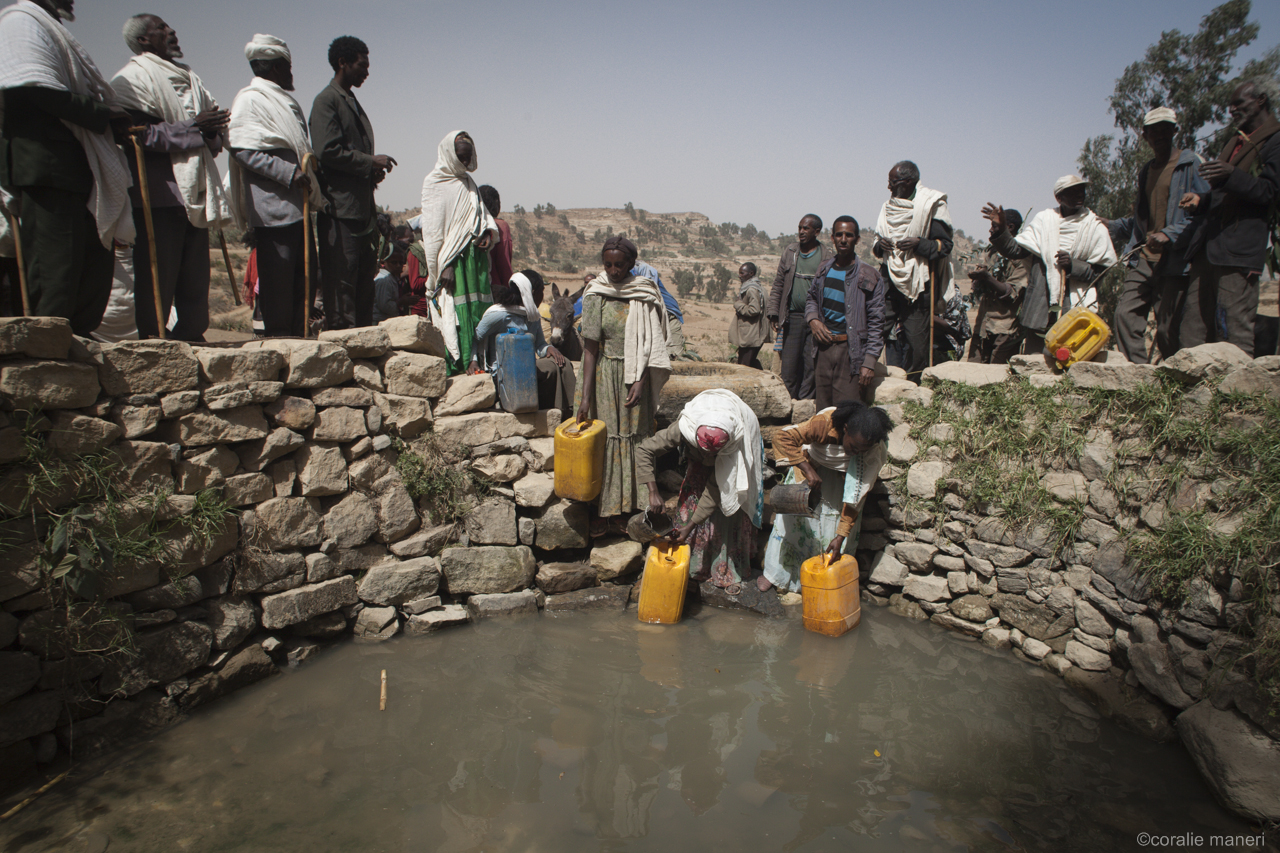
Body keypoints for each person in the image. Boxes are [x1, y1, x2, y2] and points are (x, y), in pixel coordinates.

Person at [0, 0, 134, 337]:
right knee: (56, 275)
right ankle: (47, 356)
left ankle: (79, 352)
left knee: (93, 273)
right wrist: (103, 115)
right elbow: (36, 89)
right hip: (47, 170)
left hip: (82, 168)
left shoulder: (51, 28)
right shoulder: (20, 22)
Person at [112, 14, 229, 342]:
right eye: (161, 28)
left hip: (194, 193)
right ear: (143, 40)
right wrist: (195, 128)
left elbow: (214, 131)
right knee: (157, 283)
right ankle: (155, 347)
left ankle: (190, 342)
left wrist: (210, 130)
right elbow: (135, 134)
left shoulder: (191, 78)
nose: (172, 31)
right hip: (158, 197)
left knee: (195, 285)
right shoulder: (130, 81)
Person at [227, 34, 323, 338]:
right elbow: (241, 149)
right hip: (273, 210)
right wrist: (286, 171)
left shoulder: (283, 100)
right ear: (275, 67)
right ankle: (279, 345)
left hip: (297, 207)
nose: (291, 73)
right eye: (287, 66)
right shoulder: (251, 99)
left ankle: (297, 341)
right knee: (278, 285)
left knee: (303, 281)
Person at [1178, 77, 1280, 357]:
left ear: (1261, 100)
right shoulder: (1236, 141)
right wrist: (1201, 200)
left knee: (1235, 332)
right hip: (1209, 247)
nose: (1232, 110)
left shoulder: (1274, 141)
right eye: (1230, 105)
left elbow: (1271, 192)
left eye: (1239, 103)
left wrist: (1231, 175)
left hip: (1238, 252)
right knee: (1194, 329)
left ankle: (1237, 397)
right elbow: (1224, 194)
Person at [575, 235, 671, 532]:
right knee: (608, 438)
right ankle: (606, 509)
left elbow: (650, 344)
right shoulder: (595, 293)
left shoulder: (643, 293)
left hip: (634, 376)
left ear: (632, 263)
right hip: (604, 376)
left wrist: (641, 381)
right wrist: (585, 397)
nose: (613, 270)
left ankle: (635, 506)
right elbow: (590, 349)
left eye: (619, 264)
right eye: (608, 264)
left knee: (635, 438)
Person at [1107, 107, 1210, 363]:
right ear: (1145, 135)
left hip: (1176, 260)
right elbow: (1142, 220)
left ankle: (1176, 381)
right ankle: (1140, 375)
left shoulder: (1190, 163)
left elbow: (1206, 210)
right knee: (1124, 315)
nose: (1160, 135)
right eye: (1154, 130)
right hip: (1144, 257)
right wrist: (1112, 225)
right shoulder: (1146, 171)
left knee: (1167, 330)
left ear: (1175, 131)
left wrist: (1169, 234)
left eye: (1166, 129)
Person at [309, 35, 396, 329]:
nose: (367, 72)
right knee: (342, 289)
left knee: (363, 286)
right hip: (339, 212)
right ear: (343, 63)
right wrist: (368, 162)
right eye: (362, 65)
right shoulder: (326, 101)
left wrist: (369, 173)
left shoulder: (348, 100)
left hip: (359, 211)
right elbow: (327, 151)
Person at [637, 389, 763, 592]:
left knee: (726, 506)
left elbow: (715, 490)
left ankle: (725, 569)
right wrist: (653, 490)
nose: (707, 458)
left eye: (711, 455)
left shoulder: (735, 443)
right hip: (701, 451)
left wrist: (691, 525)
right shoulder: (685, 427)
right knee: (694, 491)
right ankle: (694, 564)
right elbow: (645, 449)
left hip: (734, 446)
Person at [760, 400, 891, 594]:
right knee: (794, 526)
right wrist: (809, 471)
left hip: (844, 485)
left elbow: (857, 496)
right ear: (845, 429)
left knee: (831, 534)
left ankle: (820, 582)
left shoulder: (872, 449)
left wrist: (841, 535)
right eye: (853, 447)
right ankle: (777, 575)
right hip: (810, 471)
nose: (855, 453)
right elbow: (783, 437)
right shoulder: (823, 424)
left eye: (861, 451)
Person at [982, 176, 1116, 354]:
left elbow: (1100, 271)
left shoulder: (1094, 227)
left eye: (1081, 191)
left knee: (1069, 352)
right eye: (1072, 192)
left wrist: (1073, 266)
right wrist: (1001, 229)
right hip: (1041, 301)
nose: (1079, 195)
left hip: (1074, 302)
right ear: (1059, 198)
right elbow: (1016, 251)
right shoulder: (1044, 221)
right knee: (1035, 357)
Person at [420, 130, 497, 373]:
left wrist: (487, 233)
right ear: (449, 154)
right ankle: (461, 363)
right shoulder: (435, 184)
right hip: (455, 265)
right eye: (461, 157)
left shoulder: (469, 183)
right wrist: (446, 266)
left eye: (468, 157)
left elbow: (482, 217)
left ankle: (481, 362)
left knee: (479, 312)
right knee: (458, 314)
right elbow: (433, 235)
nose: (465, 162)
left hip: (476, 261)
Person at [873, 161, 954, 383]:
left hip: (918, 283)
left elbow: (944, 246)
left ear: (908, 182)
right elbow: (877, 242)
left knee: (918, 342)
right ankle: (865, 376)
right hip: (889, 277)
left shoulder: (931, 204)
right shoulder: (887, 207)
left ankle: (915, 385)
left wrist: (919, 243)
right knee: (876, 329)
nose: (889, 188)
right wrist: (882, 245)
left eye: (893, 183)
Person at [804, 216, 885, 410]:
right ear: (832, 238)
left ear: (857, 239)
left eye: (848, 235)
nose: (843, 239)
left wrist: (869, 363)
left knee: (847, 412)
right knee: (823, 411)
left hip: (851, 352)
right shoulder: (824, 269)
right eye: (839, 234)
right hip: (823, 349)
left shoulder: (869, 275)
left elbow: (877, 322)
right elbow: (811, 299)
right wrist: (813, 319)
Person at [470, 270, 576, 414]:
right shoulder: (500, 314)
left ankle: (566, 410)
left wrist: (549, 349)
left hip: (527, 367)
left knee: (562, 363)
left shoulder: (533, 316)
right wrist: (473, 361)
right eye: (542, 291)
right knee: (551, 368)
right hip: (503, 373)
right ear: (532, 292)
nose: (543, 296)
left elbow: (539, 346)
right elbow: (476, 337)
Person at [767, 214, 831, 399]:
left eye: (806, 228)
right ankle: (788, 403)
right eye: (800, 227)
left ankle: (804, 405)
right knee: (789, 365)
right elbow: (779, 283)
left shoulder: (826, 256)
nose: (801, 232)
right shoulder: (790, 252)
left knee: (811, 364)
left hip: (815, 320)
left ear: (817, 232)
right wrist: (774, 313)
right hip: (792, 317)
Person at [967, 209, 1029, 364]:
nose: (990, 230)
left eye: (995, 226)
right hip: (983, 325)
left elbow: (1010, 292)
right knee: (974, 372)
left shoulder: (1022, 257)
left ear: (1010, 227)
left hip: (1005, 327)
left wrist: (987, 278)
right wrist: (979, 281)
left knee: (997, 375)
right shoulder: (992, 253)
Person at [730, 262, 768, 368]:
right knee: (750, 363)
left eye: (742, 273)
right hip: (753, 333)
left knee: (744, 365)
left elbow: (754, 310)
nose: (739, 276)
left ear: (751, 273)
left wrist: (738, 305)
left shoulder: (751, 289)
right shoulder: (758, 287)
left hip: (750, 334)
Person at [478, 184, 512, 291]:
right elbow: (504, 264)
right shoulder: (501, 226)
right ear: (496, 203)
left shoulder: (471, 225)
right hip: (495, 290)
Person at [372, 242, 404, 323]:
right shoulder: (384, 280)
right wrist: (401, 301)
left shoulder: (392, 278)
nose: (398, 266)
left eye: (401, 263)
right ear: (384, 263)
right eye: (394, 262)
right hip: (379, 322)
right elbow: (385, 306)